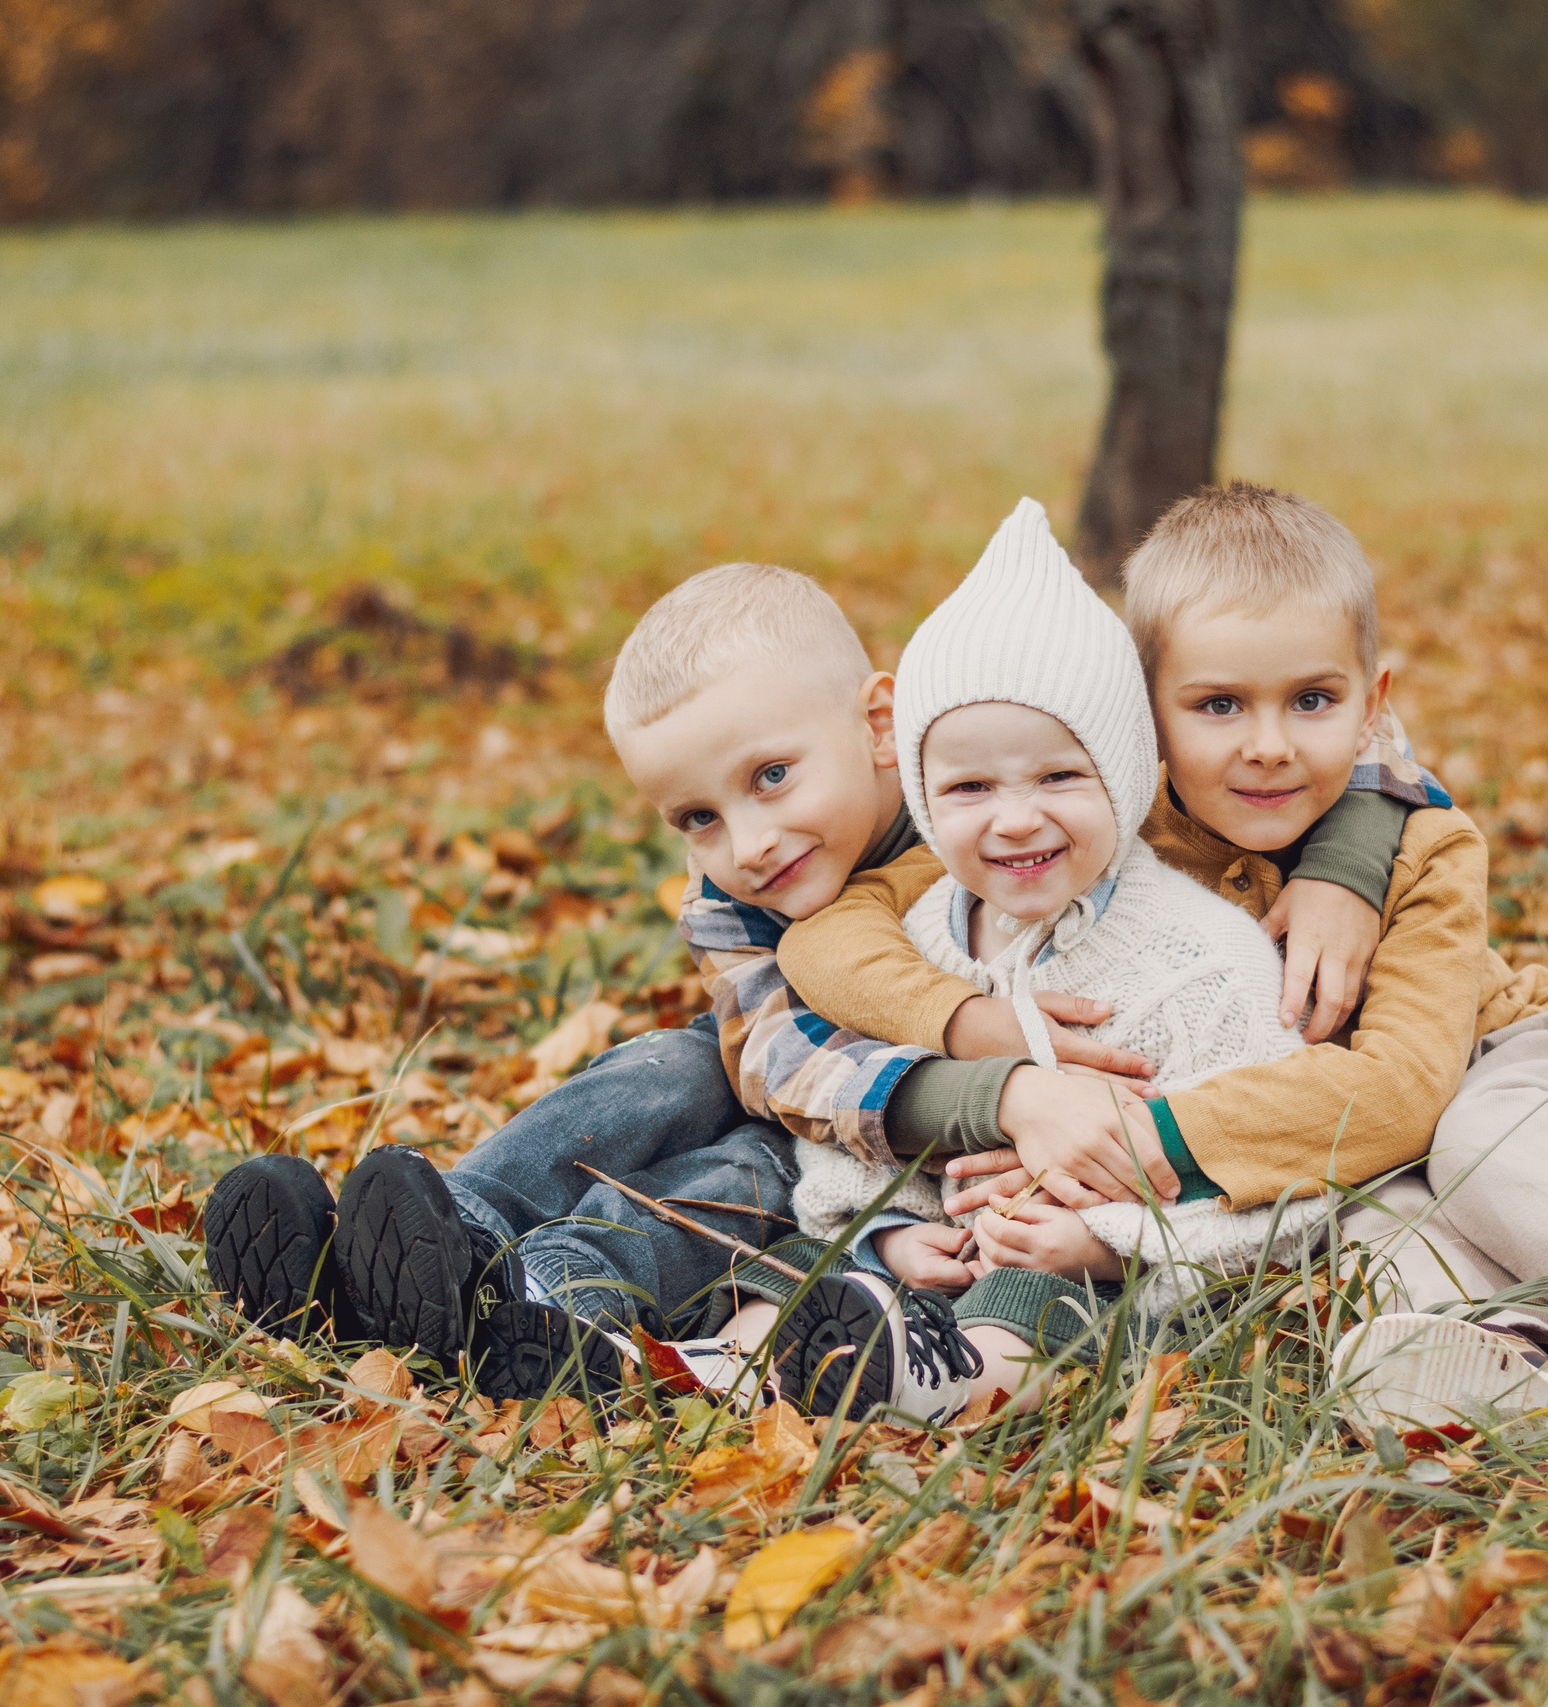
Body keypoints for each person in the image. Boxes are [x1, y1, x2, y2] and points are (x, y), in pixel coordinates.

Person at [778, 482, 1548, 1432]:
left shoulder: (1423, 848)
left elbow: (1400, 1095)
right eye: (1219, 704)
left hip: (1517, 1070)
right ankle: (1513, 1382)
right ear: (1141, 718)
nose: (1270, 745)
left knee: (1480, 1144)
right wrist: (985, 1041)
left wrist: (1153, 1143)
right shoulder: (1096, 824)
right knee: (1359, 1230)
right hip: (1357, 1159)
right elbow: (832, 936)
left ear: (1371, 706)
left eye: (1312, 700)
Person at [200, 545, 1424, 1400]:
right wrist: (987, 1076)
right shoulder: (738, 890)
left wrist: (1355, 852)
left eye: (772, 779)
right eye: (695, 815)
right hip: (830, 1108)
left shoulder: (995, 772)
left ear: (882, 723)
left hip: (865, 1159)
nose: (748, 843)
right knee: (665, 1071)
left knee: (731, 1170)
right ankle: (434, 1229)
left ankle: (529, 1285)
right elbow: (774, 1062)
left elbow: (1222, 733)